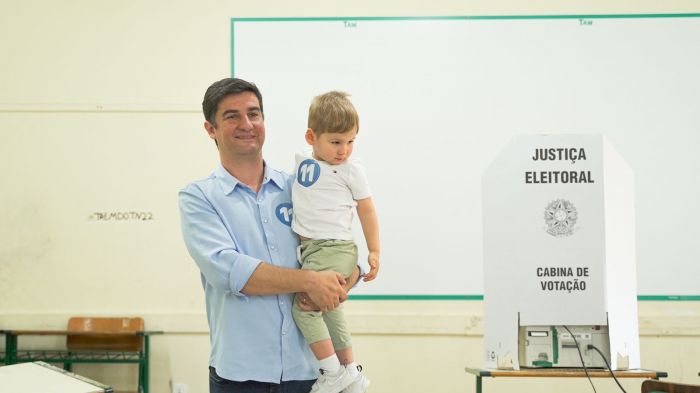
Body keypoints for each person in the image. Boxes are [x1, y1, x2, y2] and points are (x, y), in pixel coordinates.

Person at [179, 78, 361, 393]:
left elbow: (336, 245)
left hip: (309, 372)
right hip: (240, 375)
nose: (246, 124)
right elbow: (231, 272)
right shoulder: (199, 197)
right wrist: (310, 281)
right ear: (211, 129)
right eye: (232, 116)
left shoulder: (300, 187)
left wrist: (351, 274)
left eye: (254, 113)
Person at [291, 91, 380, 393]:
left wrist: (375, 250)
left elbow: (366, 209)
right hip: (315, 250)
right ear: (311, 137)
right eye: (336, 142)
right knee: (331, 310)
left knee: (304, 309)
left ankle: (331, 372)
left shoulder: (352, 170)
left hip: (333, 248)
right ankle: (351, 371)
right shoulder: (301, 160)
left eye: (351, 141)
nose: (344, 150)